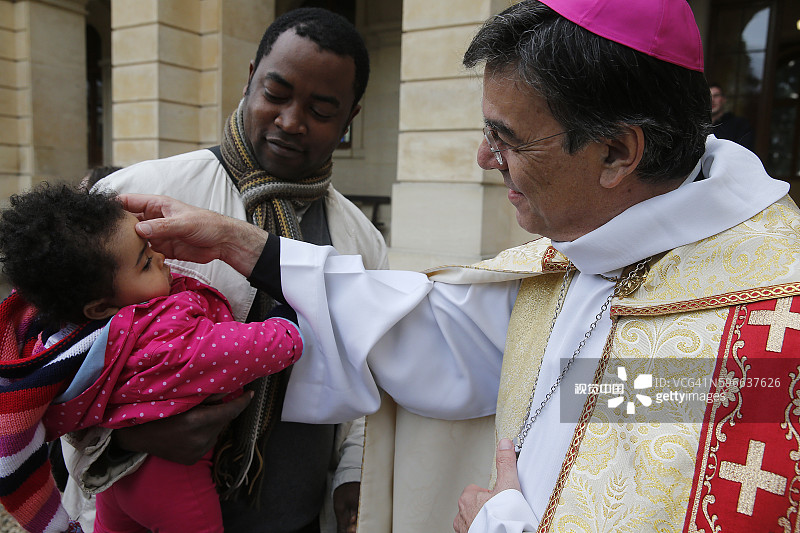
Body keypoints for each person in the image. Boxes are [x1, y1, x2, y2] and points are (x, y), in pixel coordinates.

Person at [118, 0, 800, 532]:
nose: (481, 157)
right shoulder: (590, 256)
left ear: (618, 153)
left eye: (507, 138)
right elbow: (431, 333)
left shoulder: (766, 334)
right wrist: (246, 246)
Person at [70, 7, 387, 533]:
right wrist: (126, 437)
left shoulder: (362, 242)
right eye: (276, 93)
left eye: (321, 109)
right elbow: (58, 361)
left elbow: (368, 375)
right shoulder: (138, 197)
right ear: (250, 79)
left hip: (299, 517)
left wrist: (353, 475)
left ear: (350, 117)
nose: (291, 121)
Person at [0, 183, 303, 533]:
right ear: (99, 307)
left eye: (149, 247)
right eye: (145, 263)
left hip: (118, 479)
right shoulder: (162, 341)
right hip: (170, 480)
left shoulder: (80, 335)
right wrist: (291, 315)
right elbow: (257, 349)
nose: (160, 257)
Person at [710, 83, 755, 150]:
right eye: (708, 96)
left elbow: (743, 150)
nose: (712, 100)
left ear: (724, 99)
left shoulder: (739, 124)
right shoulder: (699, 125)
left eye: (716, 96)